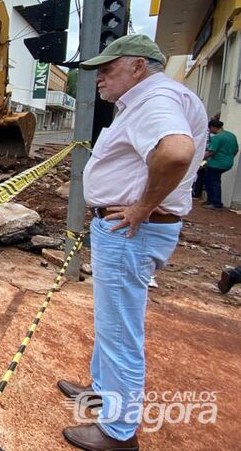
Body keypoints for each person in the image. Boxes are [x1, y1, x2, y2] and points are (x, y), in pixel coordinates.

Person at [60, 34, 207, 451]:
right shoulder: (161, 97)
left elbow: (176, 152)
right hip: (130, 230)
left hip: (132, 231)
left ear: (139, 66)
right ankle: (103, 393)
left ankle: (117, 432)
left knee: (120, 331)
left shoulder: (153, 100)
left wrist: (142, 207)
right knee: (111, 323)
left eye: (108, 69)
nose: (99, 79)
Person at [202, 119, 238, 210]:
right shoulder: (231, 135)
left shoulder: (217, 138)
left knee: (213, 182)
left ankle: (216, 203)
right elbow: (236, 150)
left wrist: (200, 158)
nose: (210, 131)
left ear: (213, 127)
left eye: (210, 129)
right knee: (211, 180)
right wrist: (229, 158)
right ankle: (211, 200)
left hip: (216, 164)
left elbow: (211, 152)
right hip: (227, 163)